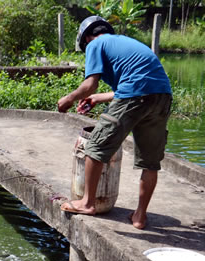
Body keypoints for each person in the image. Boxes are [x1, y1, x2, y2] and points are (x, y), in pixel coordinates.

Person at [57, 16, 172, 230]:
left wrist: (69, 99)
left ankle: (87, 203)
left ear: (87, 38)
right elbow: (138, 84)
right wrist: (97, 98)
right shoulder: (125, 43)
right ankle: (140, 216)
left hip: (135, 95)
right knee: (150, 162)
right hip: (163, 96)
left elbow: (90, 83)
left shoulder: (95, 44)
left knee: (95, 148)